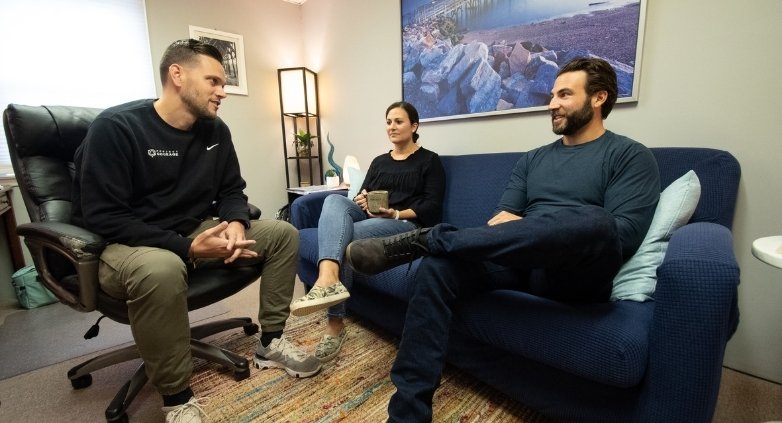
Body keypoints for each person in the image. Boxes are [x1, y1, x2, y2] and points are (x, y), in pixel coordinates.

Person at [345, 58, 661, 422]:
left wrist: (543, 225)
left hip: (573, 272)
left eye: (564, 94)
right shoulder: (533, 159)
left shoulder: (629, 156)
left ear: (598, 98)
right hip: (516, 258)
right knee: (437, 268)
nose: (552, 103)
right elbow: (501, 221)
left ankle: (430, 237)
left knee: (596, 219)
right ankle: (407, 414)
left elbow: (621, 236)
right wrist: (525, 228)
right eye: (553, 94)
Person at [72, 39, 321, 423]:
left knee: (282, 234)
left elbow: (231, 191)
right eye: (214, 81)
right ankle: (177, 398)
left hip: (193, 230)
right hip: (127, 243)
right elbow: (105, 218)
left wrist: (236, 222)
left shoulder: (215, 130)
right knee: (162, 269)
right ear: (177, 75)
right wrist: (187, 248)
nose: (223, 92)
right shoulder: (116, 129)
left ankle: (271, 342)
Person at [289, 101, 446, 362]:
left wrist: (395, 213)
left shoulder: (429, 161)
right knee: (333, 200)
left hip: (404, 224)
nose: (391, 127)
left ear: (414, 126)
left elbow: (432, 206)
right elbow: (365, 191)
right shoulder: (380, 161)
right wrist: (363, 199)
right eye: (388, 122)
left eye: (398, 121)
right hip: (369, 218)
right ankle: (327, 278)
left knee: (346, 238)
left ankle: (335, 325)